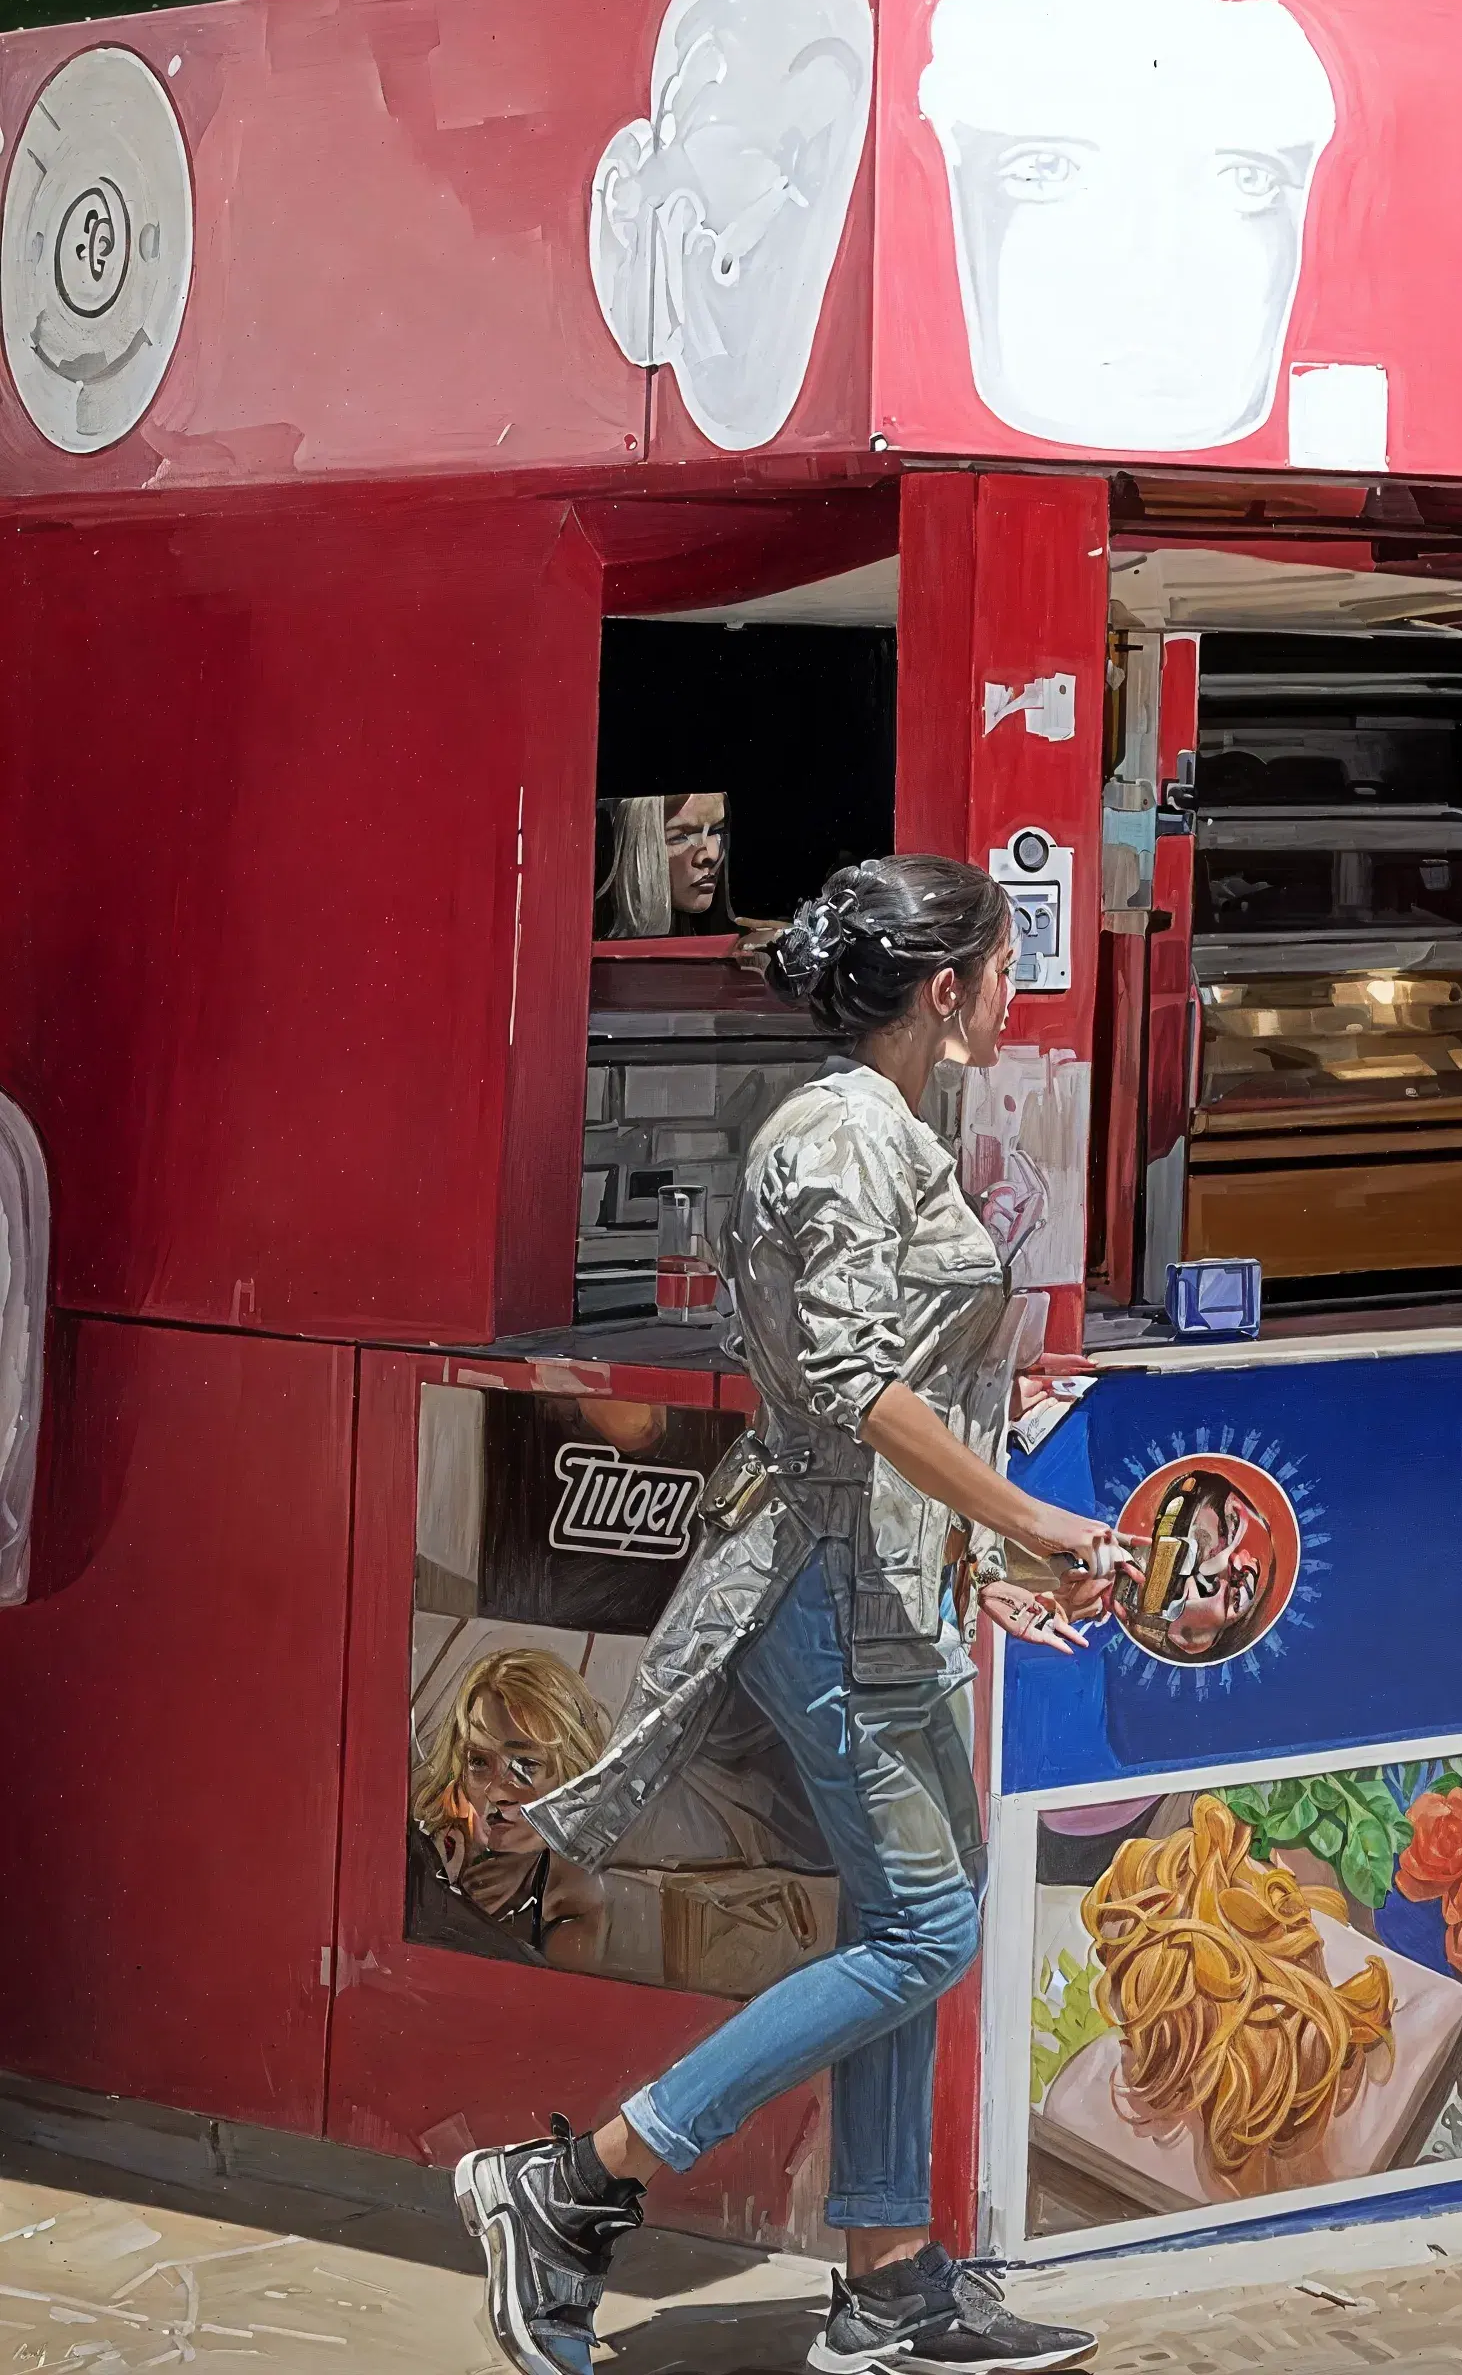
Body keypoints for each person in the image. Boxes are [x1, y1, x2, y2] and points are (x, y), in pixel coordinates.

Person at [450, 857, 1134, 2375]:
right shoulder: (836, 1137)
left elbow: (899, 1399)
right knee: (932, 1928)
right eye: (1001, 965)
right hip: (826, 1584)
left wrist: (983, 1564)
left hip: (887, 1579)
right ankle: (579, 2180)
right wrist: (1033, 1521)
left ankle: (889, 2284)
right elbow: (856, 1388)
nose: (1016, 991)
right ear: (947, 988)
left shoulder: (890, 1128)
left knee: (909, 1922)